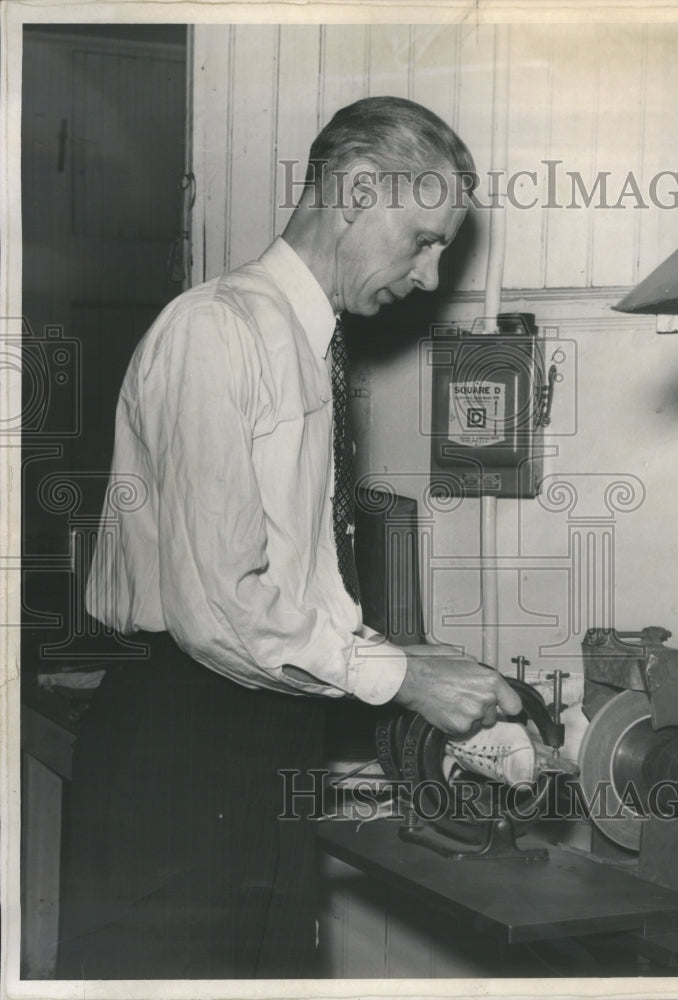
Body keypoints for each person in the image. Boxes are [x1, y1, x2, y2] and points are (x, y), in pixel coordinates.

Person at [57, 96, 521, 980]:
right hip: (182, 748)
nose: (428, 278)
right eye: (423, 239)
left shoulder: (306, 347)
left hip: (262, 740)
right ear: (352, 190)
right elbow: (221, 610)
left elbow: (282, 587)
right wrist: (404, 678)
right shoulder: (218, 332)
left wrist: (403, 654)